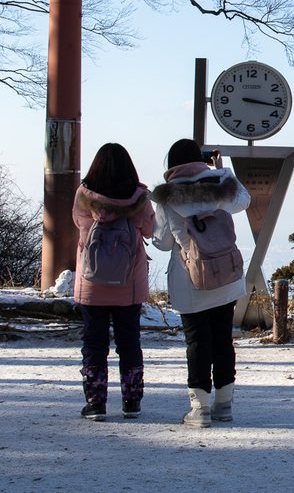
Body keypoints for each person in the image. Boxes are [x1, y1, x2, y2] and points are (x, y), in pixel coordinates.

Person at [151, 139, 250, 428]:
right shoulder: (221, 186)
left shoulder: (168, 197)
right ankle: (224, 404)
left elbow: (161, 242)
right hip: (226, 275)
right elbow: (244, 200)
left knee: (197, 342)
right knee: (223, 339)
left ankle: (200, 408)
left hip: (190, 280)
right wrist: (224, 170)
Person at [73, 143, 155, 421]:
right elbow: (150, 228)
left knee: (94, 342)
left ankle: (95, 402)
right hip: (128, 282)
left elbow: (80, 224)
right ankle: (131, 402)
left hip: (92, 281)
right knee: (129, 341)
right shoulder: (139, 197)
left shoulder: (84, 195)